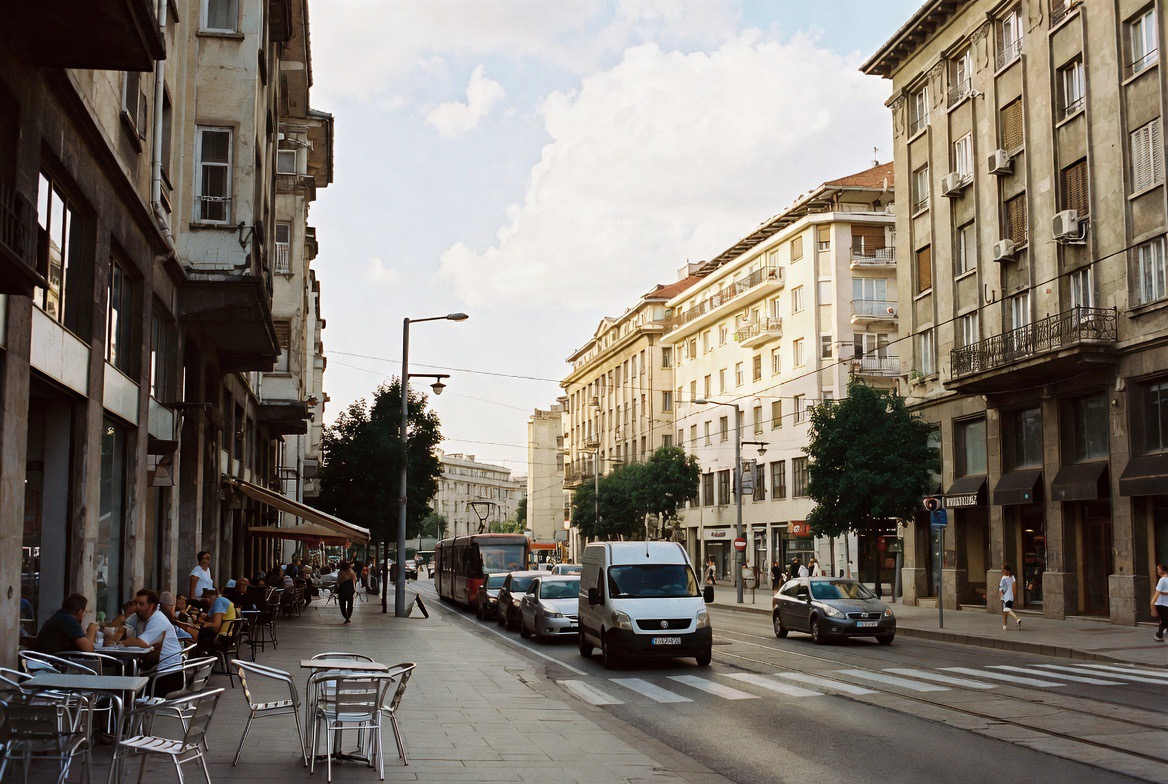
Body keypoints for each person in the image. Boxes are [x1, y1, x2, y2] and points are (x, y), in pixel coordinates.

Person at [120, 589, 183, 693]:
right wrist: (119, 626)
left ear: (151, 606)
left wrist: (119, 643)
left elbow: (143, 643)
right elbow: (124, 623)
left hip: (167, 674)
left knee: (129, 687)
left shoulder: (158, 619)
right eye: (136, 603)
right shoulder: (139, 616)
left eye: (141, 604)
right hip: (152, 670)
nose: (137, 607)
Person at [1000, 563, 1022, 630]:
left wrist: (1001, 596)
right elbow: (1014, 588)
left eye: (1003, 570)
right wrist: (1013, 595)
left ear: (1007, 571)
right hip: (1010, 596)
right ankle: (1004, 625)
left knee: (1006, 610)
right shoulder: (1012, 578)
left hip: (1006, 597)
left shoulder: (1004, 578)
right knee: (1005, 611)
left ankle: (1017, 618)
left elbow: (1002, 588)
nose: (1002, 571)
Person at [1152, 563, 1168, 642]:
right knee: (1164, 619)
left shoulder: (1162, 580)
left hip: (1161, 603)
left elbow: (1157, 592)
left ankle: (1159, 635)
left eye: (1158, 569)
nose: (1157, 571)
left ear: (1162, 570)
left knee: (1162, 620)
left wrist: (1152, 603)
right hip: (1166, 603)